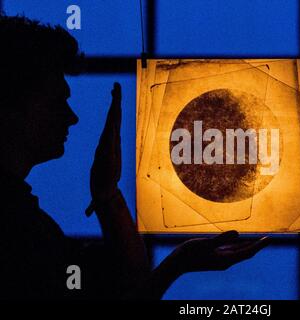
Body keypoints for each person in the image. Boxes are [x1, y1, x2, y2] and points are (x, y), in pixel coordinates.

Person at [0, 15, 269, 300]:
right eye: (56, 102)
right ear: (9, 106)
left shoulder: (21, 219)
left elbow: (123, 282)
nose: (72, 117)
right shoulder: (17, 227)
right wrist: (177, 263)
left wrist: (107, 194)